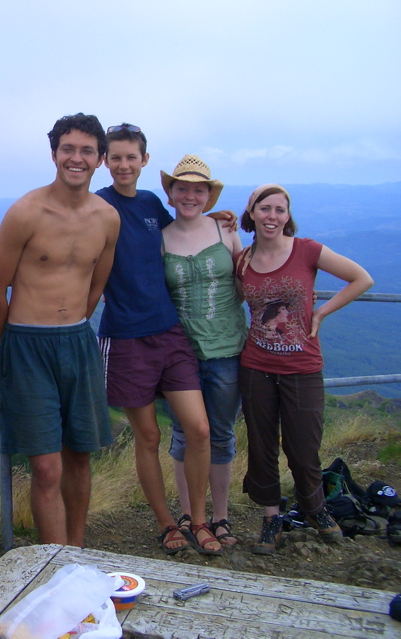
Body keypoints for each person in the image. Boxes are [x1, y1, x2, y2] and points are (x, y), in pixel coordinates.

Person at [0, 113, 120, 547]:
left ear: (99, 159)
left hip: (78, 341)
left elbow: (97, 284)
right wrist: (14, 342)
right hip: (26, 343)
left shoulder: (107, 218)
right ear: (54, 153)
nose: (75, 159)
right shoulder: (26, 212)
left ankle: (76, 554)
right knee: (45, 466)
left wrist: (73, 326)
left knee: (80, 455)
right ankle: (54, 565)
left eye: (86, 151)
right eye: (67, 149)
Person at [96, 125, 224, 556]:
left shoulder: (152, 203)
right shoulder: (99, 205)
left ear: (145, 160)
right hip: (125, 337)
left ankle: (200, 520)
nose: (124, 165)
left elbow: (184, 234)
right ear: (104, 160)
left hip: (169, 332)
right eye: (115, 157)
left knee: (200, 428)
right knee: (148, 436)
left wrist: (216, 221)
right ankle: (168, 523)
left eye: (131, 157)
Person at [236, 183, 373, 555]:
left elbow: (362, 278)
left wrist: (321, 312)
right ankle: (271, 518)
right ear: (253, 213)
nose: (273, 216)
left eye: (280, 210)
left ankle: (314, 508)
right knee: (262, 446)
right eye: (265, 209)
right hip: (256, 366)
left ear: (288, 215)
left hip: (303, 366)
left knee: (303, 446)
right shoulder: (243, 260)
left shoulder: (307, 250)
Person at [160, 155, 248, 547]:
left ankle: (220, 516)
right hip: (180, 351)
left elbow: (247, 283)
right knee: (184, 432)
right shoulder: (160, 237)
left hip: (228, 347)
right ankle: (188, 512)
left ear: (209, 195)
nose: (190, 196)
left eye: (199, 189)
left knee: (221, 434)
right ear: (171, 192)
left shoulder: (226, 231)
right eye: (183, 188)